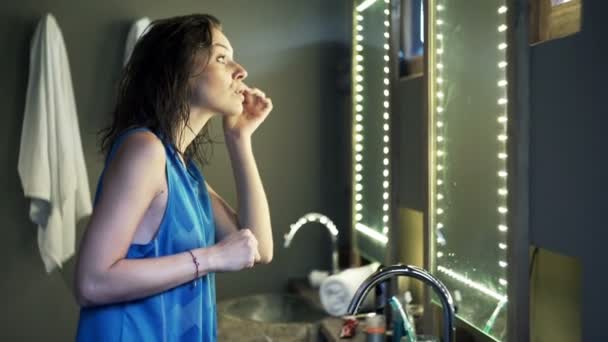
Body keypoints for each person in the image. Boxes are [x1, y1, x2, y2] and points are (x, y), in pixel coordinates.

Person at [74, 13, 273, 341]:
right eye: (222, 58)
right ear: (180, 71)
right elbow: (91, 282)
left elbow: (258, 248)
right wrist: (212, 258)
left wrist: (240, 140)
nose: (241, 71)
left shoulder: (183, 170)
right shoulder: (144, 149)